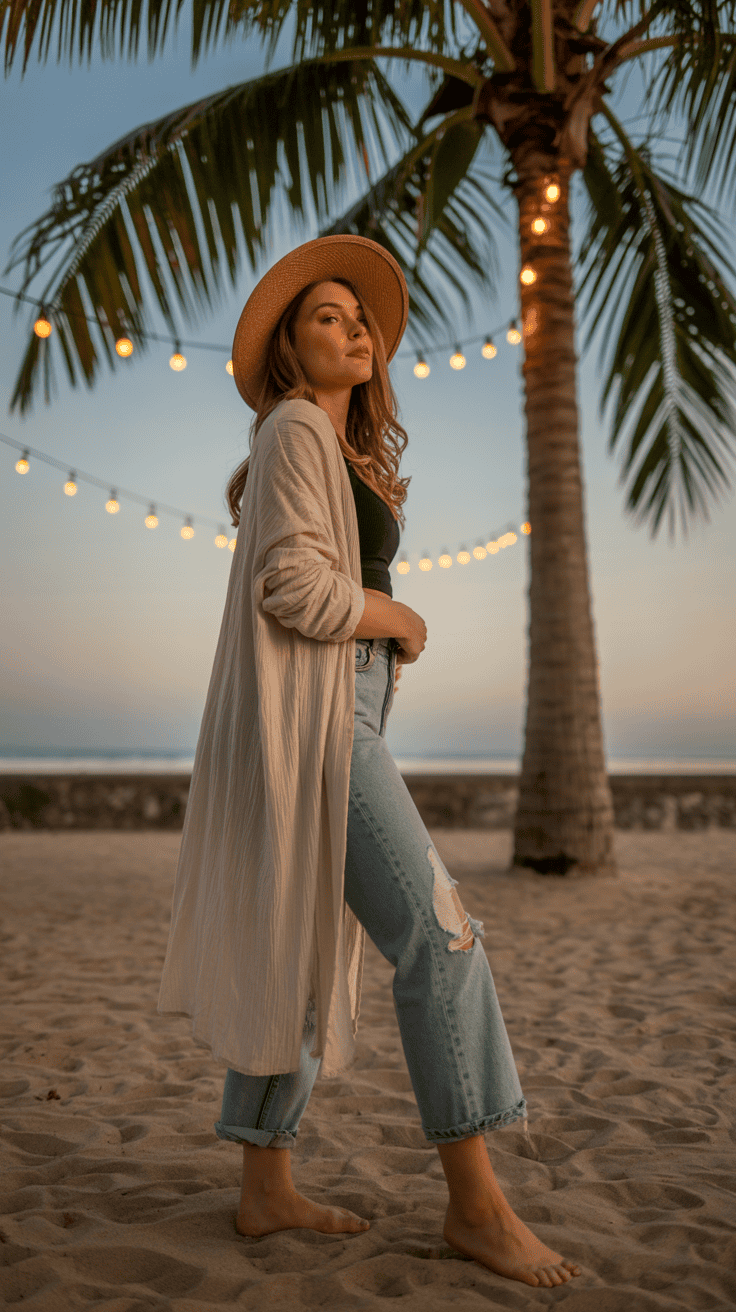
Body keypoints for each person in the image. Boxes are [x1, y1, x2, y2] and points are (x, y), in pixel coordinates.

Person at [158, 235, 581, 1289]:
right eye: (324, 319)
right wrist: (394, 612)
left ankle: (265, 1187)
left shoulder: (337, 449)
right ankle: (477, 1207)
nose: (351, 328)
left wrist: (381, 646)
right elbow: (290, 589)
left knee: (302, 935)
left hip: (343, 710)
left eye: (358, 318)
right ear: (291, 358)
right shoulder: (297, 427)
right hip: (324, 719)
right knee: (440, 938)